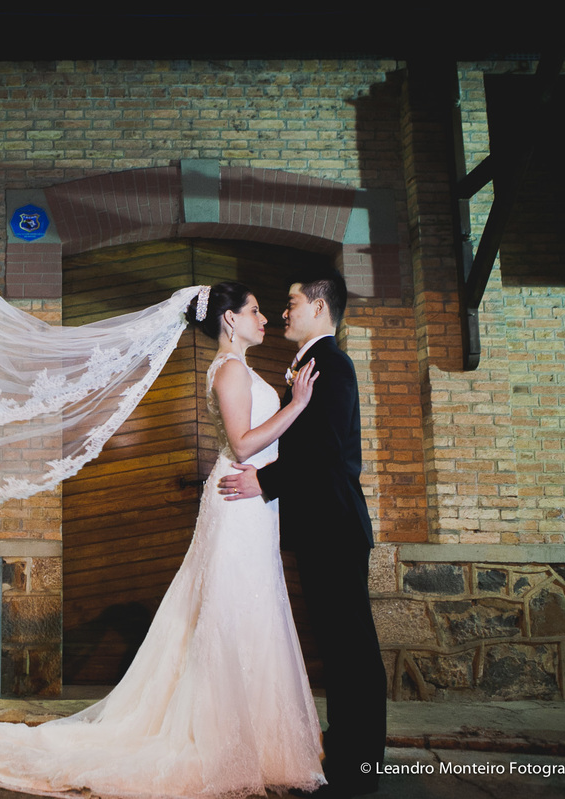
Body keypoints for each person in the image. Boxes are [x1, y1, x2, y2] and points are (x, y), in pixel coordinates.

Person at [0, 282, 326, 798]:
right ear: (229, 320)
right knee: (235, 610)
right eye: (255, 311)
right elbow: (244, 444)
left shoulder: (233, 366)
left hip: (250, 503)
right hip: (239, 501)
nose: (264, 319)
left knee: (247, 609)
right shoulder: (232, 369)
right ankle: (226, 741)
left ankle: (256, 740)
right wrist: (299, 404)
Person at [218, 269, 387, 798]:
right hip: (319, 527)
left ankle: (362, 766)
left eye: (291, 302)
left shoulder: (332, 365)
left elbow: (326, 453)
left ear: (318, 307)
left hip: (334, 526)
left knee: (352, 646)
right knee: (337, 644)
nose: (283, 312)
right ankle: (345, 750)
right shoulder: (310, 366)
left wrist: (263, 483)